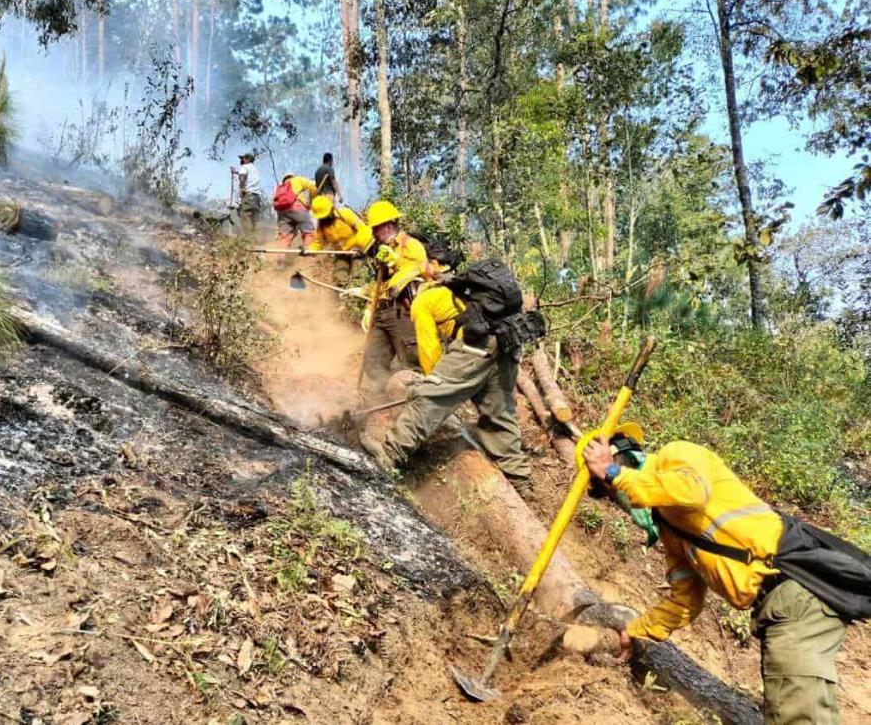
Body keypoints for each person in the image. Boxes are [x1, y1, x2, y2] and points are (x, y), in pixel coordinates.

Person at [581, 434, 854, 725]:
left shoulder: (676, 456)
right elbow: (686, 599)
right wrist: (635, 632)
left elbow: (691, 492)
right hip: (777, 607)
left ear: (622, 461)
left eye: (610, 492)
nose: (621, 500)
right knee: (785, 712)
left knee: (799, 716)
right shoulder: (672, 530)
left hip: (796, 591)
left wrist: (613, 474)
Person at [360, 256, 534, 499]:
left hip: (477, 343)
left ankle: (391, 453)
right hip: (508, 340)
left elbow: (429, 351)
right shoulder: (454, 293)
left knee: (433, 395)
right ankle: (520, 481)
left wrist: (429, 382)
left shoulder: (423, 302)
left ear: (407, 293)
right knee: (500, 412)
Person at [358, 200, 429, 392]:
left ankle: (415, 404)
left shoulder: (411, 245)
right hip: (382, 312)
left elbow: (418, 271)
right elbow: (381, 285)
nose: (373, 234)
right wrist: (368, 307)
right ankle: (384, 399)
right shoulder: (381, 251)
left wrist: (394, 261)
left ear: (388, 226)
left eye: (376, 229)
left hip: (402, 310)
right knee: (372, 360)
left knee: (411, 361)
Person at [306, 195, 373, 284]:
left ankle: (359, 293)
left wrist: (360, 246)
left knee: (359, 274)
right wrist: (310, 250)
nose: (324, 218)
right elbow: (318, 242)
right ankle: (343, 294)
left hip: (357, 250)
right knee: (339, 277)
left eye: (325, 215)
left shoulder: (345, 214)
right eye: (322, 217)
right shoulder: (322, 226)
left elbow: (362, 229)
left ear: (331, 209)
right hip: (341, 253)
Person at [273, 173, 317, 251]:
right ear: (292, 177)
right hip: (298, 208)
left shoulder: (280, 188)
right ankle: (309, 256)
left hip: (282, 213)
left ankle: (280, 259)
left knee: (284, 237)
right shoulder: (297, 179)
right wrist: (312, 201)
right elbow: (314, 186)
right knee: (309, 232)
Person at [236, 153, 264, 237]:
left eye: (243, 158)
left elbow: (242, 177)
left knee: (245, 217)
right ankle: (258, 239)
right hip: (256, 197)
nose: (241, 160)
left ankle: (248, 241)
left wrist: (242, 188)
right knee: (255, 219)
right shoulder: (254, 168)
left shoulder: (244, 167)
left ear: (247, 159)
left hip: (249, 195)